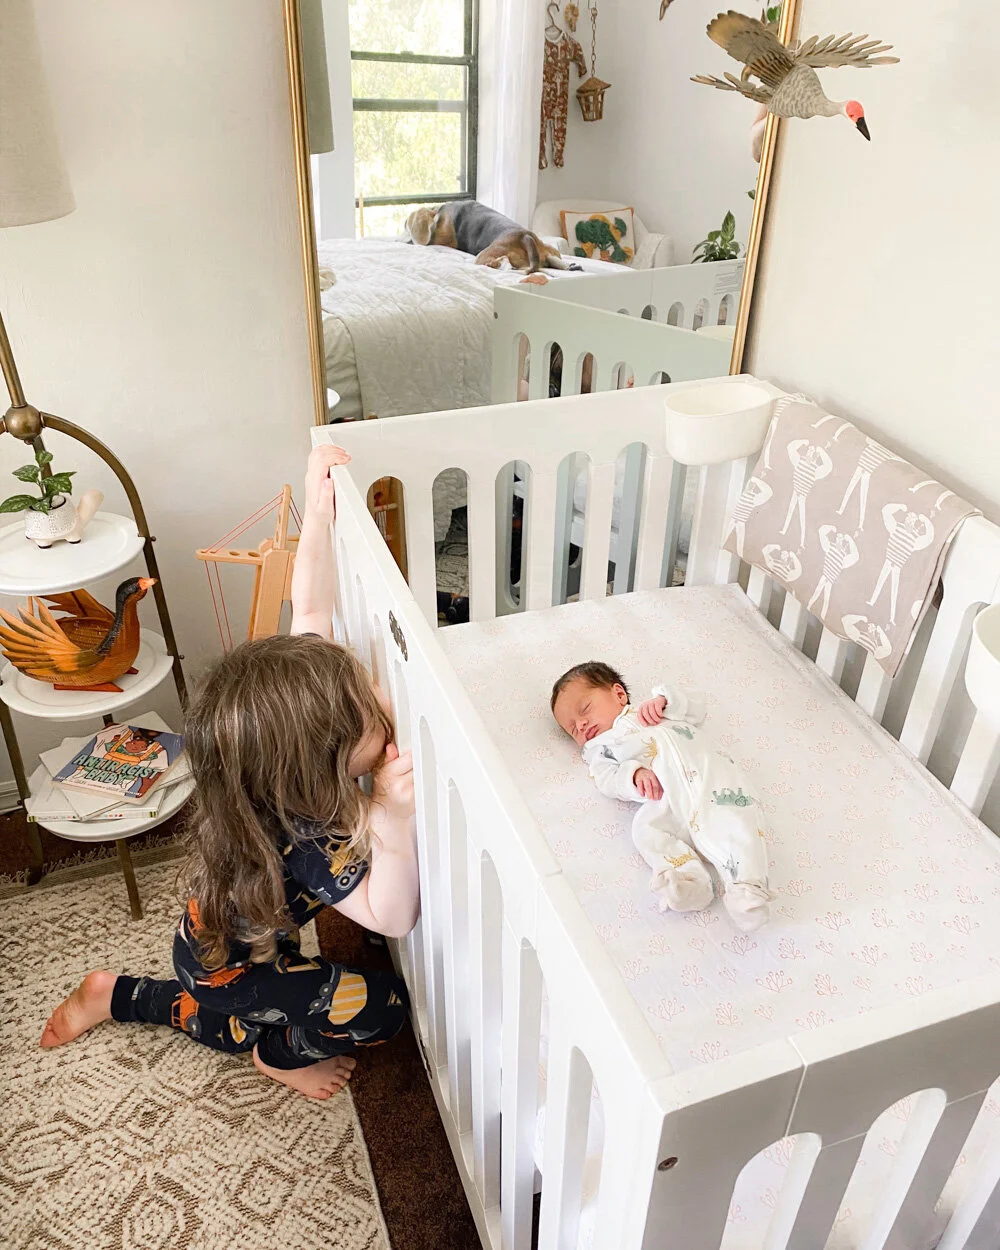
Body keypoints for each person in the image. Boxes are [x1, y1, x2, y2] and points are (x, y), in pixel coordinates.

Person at [39, 445, 420, 1100]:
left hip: (218, 944)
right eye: (370, 705)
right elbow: (392, 916)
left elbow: (310, 608)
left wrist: (318, 509)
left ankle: (115, 993)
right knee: (381, 1009)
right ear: (323, 761)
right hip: (232, 971)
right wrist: (393, 813)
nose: (384, 698)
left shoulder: (289, 728)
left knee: (231, 993)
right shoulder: (309, 833)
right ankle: (275, 1055)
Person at [551, 661, 772, 931]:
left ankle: (747, 890)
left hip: (712, 783)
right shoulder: (601, 750)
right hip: (665, 801)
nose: (581, 724)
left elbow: (698, 707)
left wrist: (667, 700)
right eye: (573, 729)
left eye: (585, 709)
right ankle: (689, 883)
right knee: (646, 831)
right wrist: (634, 775)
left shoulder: (656, 710)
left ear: (618, 694)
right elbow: (607, 779)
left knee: (738, 823)